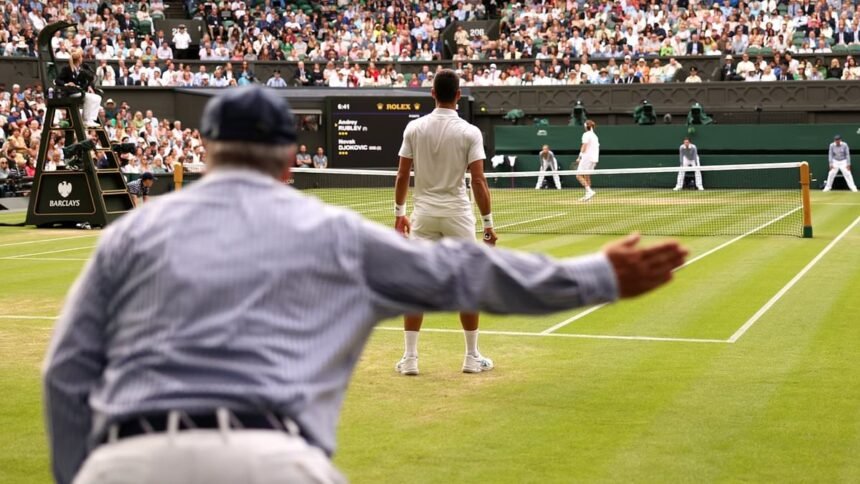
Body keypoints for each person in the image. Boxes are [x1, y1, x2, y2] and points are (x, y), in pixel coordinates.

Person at [43, 85, 687, 484]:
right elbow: (466, 273)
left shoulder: (130, 235)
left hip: (122, 462)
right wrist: (596, 276)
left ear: (206, 152)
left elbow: (66, 375)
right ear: (293, 159)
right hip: (273, 459)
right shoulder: (334, 235)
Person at [392, 69, 498, 376]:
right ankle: (471, 358)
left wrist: (400, 214)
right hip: (458, 216)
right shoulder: (470, 132)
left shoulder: (414, 128)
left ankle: (410, 360)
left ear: (433, 94)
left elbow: (402, 175)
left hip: (423, 216)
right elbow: (478, 181)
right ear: (459, 96)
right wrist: (488, 223)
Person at [56, 48, 101, 127]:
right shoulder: (67, 69)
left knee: (97, 98)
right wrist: (66, 84)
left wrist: (89, 84)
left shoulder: (81, 70)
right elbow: (58, 80)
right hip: (70, 93)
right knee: (89, 98)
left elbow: (85, 82)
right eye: (81, 57)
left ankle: (91, 119)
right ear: (79, 59)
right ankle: (85, 119)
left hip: (79, 91)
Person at [576, 120, 600, 201]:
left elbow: (584, 146)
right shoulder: (595, 136)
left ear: (586, 126)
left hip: (587, 158)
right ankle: (588, 196)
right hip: (594, 159)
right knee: (587, 176)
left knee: (578, 175)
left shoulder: (586, 134)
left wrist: (579, 156)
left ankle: (589, 191)